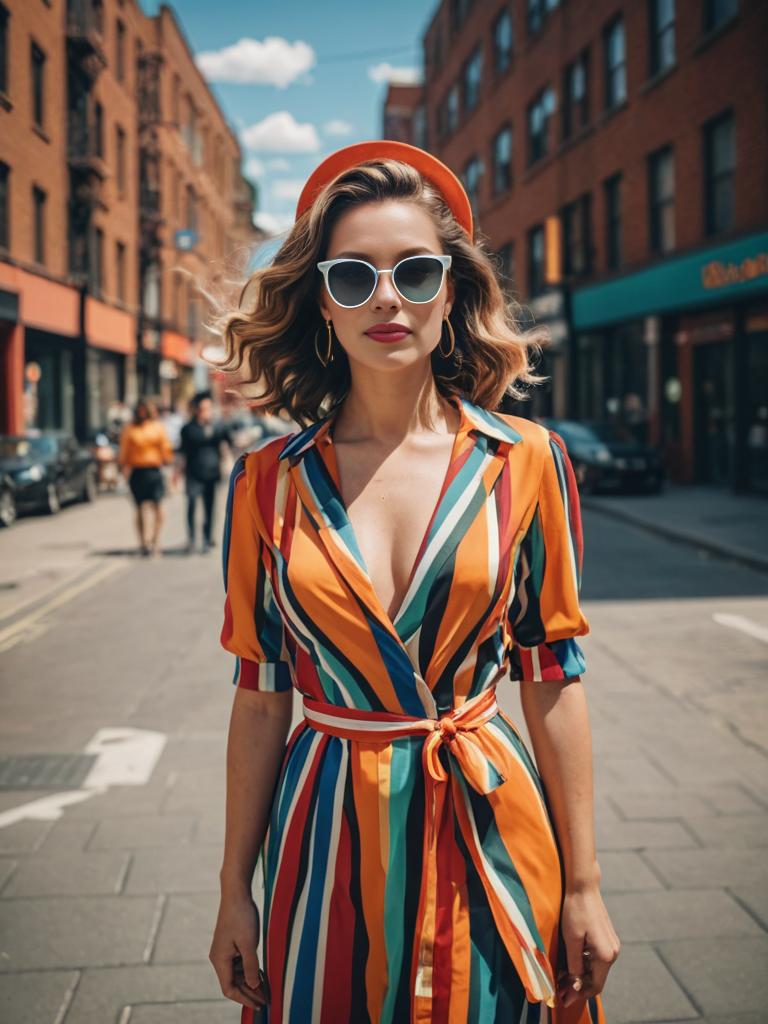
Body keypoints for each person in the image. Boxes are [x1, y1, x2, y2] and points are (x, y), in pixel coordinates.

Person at [208, 141, 619, 1023]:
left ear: (453, 292)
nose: (386, 297)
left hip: (489, 822)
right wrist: (232, 889)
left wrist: (585, 884)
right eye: (352, 277)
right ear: (322, 303)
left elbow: (552, 683)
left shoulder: (528, 462)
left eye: (414, 272)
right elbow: (258, 696)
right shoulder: (265, 485)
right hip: (322, 833)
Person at [176, 390, 234, 554]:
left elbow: (228, 443)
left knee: (210, 507)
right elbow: (182, 452)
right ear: (196, 410)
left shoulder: (218, 426)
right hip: (193, 473)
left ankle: (208, 538)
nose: (205, 412)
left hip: (212, 472)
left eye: (208, 409)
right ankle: (192, 539)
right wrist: (176, 473)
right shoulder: (188, 428)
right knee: (192, 504)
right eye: (202, 409)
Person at [118, 397, 175, 557]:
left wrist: (168, 460)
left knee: (159, 508)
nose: (143, 412)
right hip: (137, 471)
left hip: (154, 471)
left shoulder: (157, 427)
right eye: (140, 409)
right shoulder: (130, 429)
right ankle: (143, 542)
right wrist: (122, 467)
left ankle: (155, 540)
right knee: (140, 508)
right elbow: (124, 450)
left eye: (146, 409)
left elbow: (165, 446)